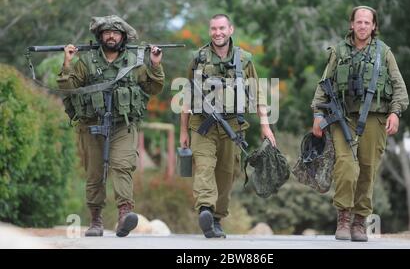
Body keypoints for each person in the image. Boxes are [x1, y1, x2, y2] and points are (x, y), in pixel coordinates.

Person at [57, 15, 165, 237]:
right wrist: (67, 63)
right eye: (107, 32)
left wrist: (155, 65)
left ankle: (125, 214)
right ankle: (95, 220)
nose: (111, 36)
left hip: (122, 125)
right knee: (95, 173)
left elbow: (153, 88)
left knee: (122, 165)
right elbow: (68, 88)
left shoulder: (134, 62)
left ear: (123, 37)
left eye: (115, 33)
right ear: (100, 36)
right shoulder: (86, 62)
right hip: (91, 125)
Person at [311, 6, 409, 242]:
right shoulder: (339, 51)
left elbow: (399, 88)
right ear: (351, 25)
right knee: (346, 166)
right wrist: (317, 114)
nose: (363, 26)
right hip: (342, 117)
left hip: (375, 119)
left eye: (367, 22)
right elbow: (324, 83)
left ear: (374, 26)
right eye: (359, 22)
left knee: (367, 170)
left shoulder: (383, 52)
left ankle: (359, 221)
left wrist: (395, 113)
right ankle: (343, 216)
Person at [179, 14, 276, 238]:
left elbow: (257, 92)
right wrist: (183, 131)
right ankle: (205, 208)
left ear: (230, 29)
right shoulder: (198, 58)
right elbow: (186, 95)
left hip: (233, 126)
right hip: (202, 124)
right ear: (209, 31)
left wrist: (265, 125)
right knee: (204, 166)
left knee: (227, 173)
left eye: (222, 28)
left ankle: (216, 218)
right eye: (213, 28)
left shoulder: (244, 59)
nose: (217, 33)